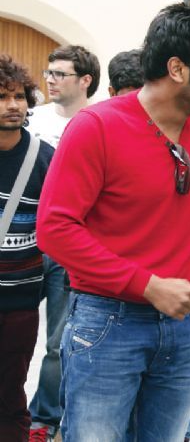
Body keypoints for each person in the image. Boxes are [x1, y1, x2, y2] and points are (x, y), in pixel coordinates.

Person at [37, 3, 190, 440]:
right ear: (177, 69)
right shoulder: (95, 127)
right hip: (106, 322)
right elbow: (55, 230)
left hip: (182, 324)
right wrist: (148, 285)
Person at [27, 44, 100, 442]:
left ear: (85, 80)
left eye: (60, 74)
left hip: (67, 249)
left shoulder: (97, 123)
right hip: (23, 243)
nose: (50, 80)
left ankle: (44, 418)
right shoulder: (32, 119)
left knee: (58, 342)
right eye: (49, 72)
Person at [0, 55, 55, 441]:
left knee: (10, 395)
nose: (13, 104)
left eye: (19, 96)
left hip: (20, 302)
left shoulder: (45, 157)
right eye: (2, 96)